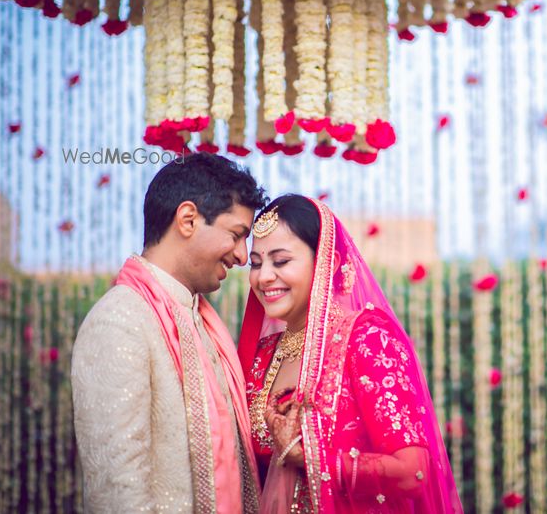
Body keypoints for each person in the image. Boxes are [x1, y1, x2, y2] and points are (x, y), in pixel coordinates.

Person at [238, 195, 462, 513]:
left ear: (325, 263)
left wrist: (312, 458)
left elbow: (413, 472)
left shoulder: (367, 341)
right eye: (256, 264)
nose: (263, 277)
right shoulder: (263, 356)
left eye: (281, 261)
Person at [72, 153, 267, 512]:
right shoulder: (120, 320)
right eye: (236, 235)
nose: (242, 256)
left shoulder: (201, 323)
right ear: (188, 219)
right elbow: (119, 491)